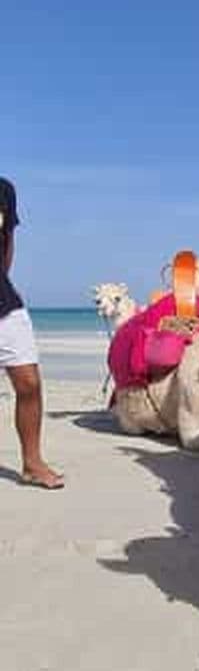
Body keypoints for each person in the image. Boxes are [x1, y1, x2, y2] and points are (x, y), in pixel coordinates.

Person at [0, 177, 64, 488]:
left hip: (5, 303)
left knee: (29, 383)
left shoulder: (4, 190)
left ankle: (32, 463)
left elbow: (7, 243)